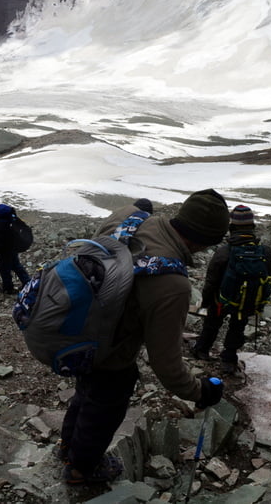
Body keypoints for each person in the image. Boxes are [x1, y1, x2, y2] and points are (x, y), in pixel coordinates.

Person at [60, 189, 229, 485]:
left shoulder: (128, 217)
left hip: (78, 330)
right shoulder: (172, 284)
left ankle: (67, 448)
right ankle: (80, 469)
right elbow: (166, 365)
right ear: (204, 242)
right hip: (111, 352)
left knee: (84, 393)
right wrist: (200, 392)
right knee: (103, 408)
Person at [191, 205, 271, 375]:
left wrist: (207, 301)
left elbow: (211, 281)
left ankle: (202, 350)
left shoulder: (224, 252)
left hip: (221, 301)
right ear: (252, 227)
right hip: (247, 300)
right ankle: (229, 359)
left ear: (232, 228)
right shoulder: (264, 251)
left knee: (212, 323)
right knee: (238, 326)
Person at [0, 198, 30, 294]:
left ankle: (8, 288)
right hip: (13, 244)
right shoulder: (3, 212)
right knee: (16, 265)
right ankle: (27, 282)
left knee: (3, 268)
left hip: (5, 249)